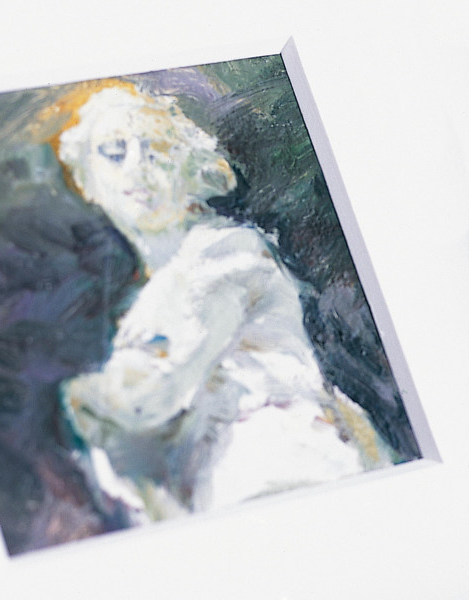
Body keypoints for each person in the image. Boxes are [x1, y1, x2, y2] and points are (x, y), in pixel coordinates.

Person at [50, 79, 393, 523]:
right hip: (231, 488)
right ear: (86, 180)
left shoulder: (224, 253)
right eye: (114, 153)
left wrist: (84, 396)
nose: (137, 168)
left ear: (193, 170)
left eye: (157, 150)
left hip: (290, 465)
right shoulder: (150, 299)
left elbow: (147, 398)